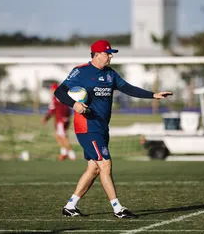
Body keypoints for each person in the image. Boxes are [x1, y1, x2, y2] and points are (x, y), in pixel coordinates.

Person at [54, 39, 173, 218]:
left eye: (111, 53)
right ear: (96, 54)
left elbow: (128, 88)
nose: (110, 56)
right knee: (105, 164)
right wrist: (74, 104)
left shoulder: (111, 74)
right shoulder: (81, 72)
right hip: (87, 126)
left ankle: (70, 206)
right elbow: (60, 92)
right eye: (107, 53)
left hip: (102, 127)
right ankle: (118, 208)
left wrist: (153, 95)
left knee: (94, 168)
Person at [41, 83, 76, 161]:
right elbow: (69, 108)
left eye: (52, 89)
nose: (51, 91)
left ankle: (71, 154)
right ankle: (64, 153)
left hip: (60, 120)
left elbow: (51, 110)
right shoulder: (64, 96)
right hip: (66, 119)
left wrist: (46, 119)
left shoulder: (54, 98)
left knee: (61, 137)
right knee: (61, 136)